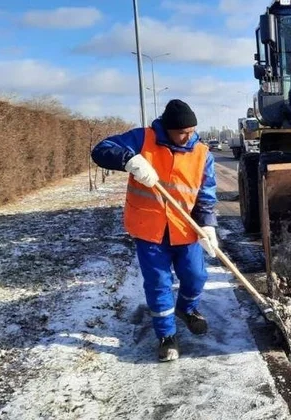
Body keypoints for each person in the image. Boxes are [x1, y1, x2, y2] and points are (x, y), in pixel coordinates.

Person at [91, 99, 219, 362]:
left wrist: (207, 225)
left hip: (185, 228)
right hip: (150, 230)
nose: (188, 136)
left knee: (196, 276)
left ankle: (186, 309)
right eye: (182, 132)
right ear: (168, 129)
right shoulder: (142, 139)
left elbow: (205, 195)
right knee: (159, 283)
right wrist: (129, 160)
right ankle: (166, 336)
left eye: (192, 130)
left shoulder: (203, 153)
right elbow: (101, 150)